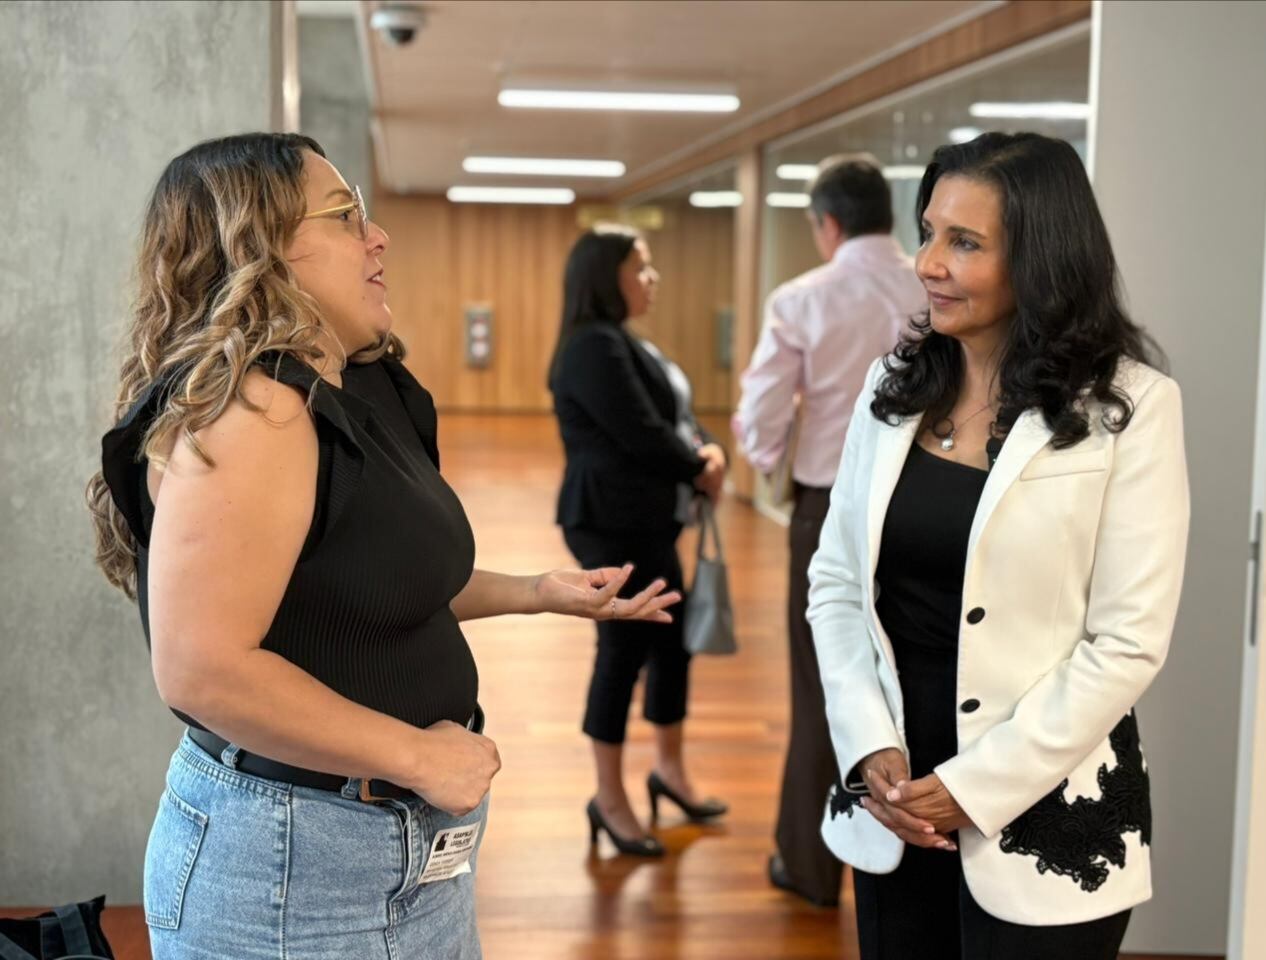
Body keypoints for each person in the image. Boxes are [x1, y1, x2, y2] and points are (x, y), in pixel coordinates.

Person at [85, 133, 679, 960]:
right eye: (345, 215)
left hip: (403, 850)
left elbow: (378, 579)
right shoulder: (257, 410)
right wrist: (419, 757)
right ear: (259, 246)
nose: (378, 238)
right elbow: (200, 668)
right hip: (296, 871)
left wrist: (536, 591)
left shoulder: (356, 387)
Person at [806, 132, 1189, 959]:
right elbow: (836, 580)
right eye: (929, 232)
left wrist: (972, 788)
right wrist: (867, 742)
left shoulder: (1131, 409)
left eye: (965, 243)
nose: (928, 264)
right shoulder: (891, 387)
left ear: (1041, 261)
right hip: (894, 797)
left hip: (1048, 810)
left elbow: (1127, 642)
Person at [732, 154, 925, 907]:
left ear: (830, 224)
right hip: (926, 507)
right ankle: (912, 857)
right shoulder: (930, 289)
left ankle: (812, 868)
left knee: (825, 686)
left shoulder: (802, 298)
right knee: (919, 678)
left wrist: (768, 464)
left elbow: (762, 407)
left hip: (828, 511)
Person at [548, 225, 729, 857]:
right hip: (611, 521)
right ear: (608, 277)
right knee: (623, 648)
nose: (652, 279)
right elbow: (643, 433)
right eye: (641, 268)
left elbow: (676, 419)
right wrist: (700, 465)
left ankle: (669, 773)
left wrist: (708, 449)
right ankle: (609, 797)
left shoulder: (623, 341)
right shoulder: (592, 346)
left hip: (646, 521)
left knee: (671, 642)